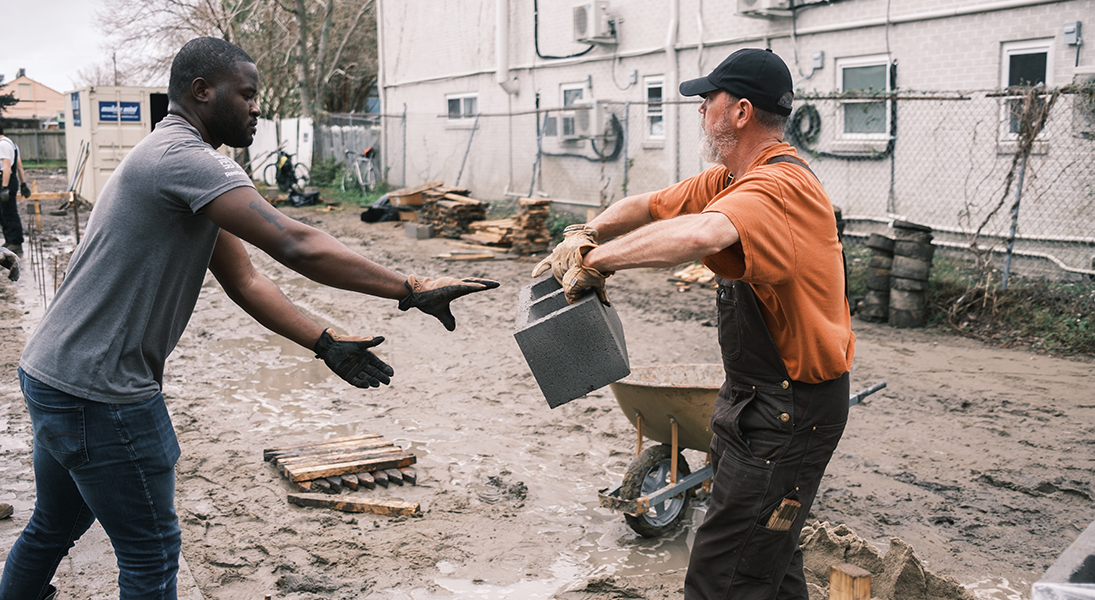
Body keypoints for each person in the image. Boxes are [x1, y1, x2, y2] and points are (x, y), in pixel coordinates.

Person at [1, 37, 498, 600]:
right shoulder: (186, 160)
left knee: (54, 526)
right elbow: (295, 243)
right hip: (102, 392)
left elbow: (246, 279)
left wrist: (325, 341)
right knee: (152, 551)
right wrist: (411, 288)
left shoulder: (175, 164)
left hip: (53, 373)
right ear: (201, 91)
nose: (258, 107)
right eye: (247, 94)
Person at [534, 48, 855, 600]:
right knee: (767, 564)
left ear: (741, 112)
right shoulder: (733, 178)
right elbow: (652, 206)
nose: (700, 108)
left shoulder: (778, 189)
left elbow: (701, 236)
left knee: (720, 578)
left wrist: (597, 263)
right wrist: (584, 234)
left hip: (791, 409)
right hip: (754, 400)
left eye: (709, 99)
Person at [0, 126, 30, 255]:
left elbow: (6, 168)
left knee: (9, 212)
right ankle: (9, 240)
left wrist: (4, 188)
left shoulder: (2, 145)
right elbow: (19, 166)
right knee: (3, 213)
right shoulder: (11, 143)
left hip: (4, 180)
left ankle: (16, 243)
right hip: (9, 180)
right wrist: (23, 184)